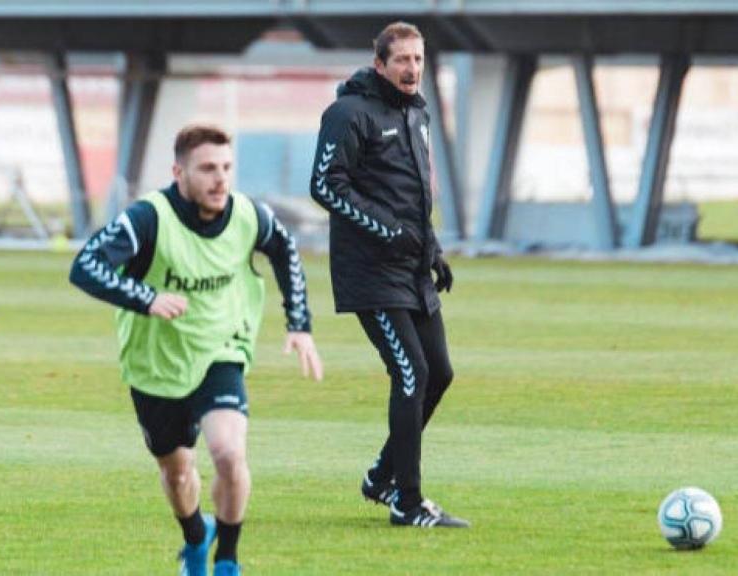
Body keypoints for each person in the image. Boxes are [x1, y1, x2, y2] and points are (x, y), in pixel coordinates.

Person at [70, 124, 323, 575]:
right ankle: (194, 537)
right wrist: (145, 298)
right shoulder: (148, 218)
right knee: (178, 472)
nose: (220, 178)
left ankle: (227, 561)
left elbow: (284, 249)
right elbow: (85, 266)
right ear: (179, 172)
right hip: (156, 363)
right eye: (207, 168)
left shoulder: (248, 214)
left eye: (226, 167)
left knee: (228, 453)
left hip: (221, 348)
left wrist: (299, 324)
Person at [309, 21, 466, 528]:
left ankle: (382, 476)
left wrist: (432, 246)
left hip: (412, 269)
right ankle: (407, 501)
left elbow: (414, 193)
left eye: (418, 60)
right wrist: (388, 231)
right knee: (411, 373)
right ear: (380, 64)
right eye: (402, 60)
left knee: (438, 373)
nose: (412, 69)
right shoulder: (348, 114)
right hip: (370, 272)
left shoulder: (418, 113)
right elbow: (324, 186)